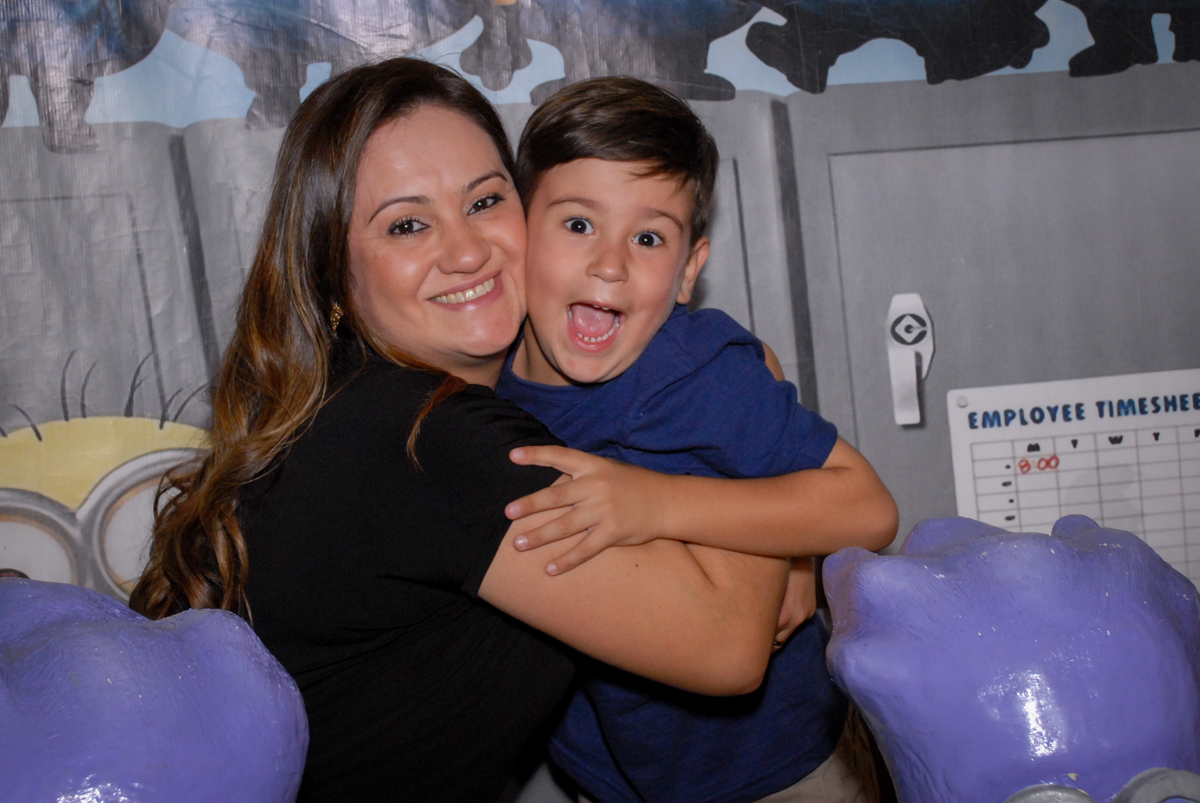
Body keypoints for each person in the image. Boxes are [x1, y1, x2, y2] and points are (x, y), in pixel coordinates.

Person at [129, 59, 794, 803]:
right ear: (334, 275)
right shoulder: (423, 440)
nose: (468, 250)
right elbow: (727, 640)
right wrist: (737, 389)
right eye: (408, 224)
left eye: (484, 201)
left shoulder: (363, 403)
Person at [494, 77, 898, 803]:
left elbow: (867, 507)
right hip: (607, 774)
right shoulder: (481, 387)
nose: (610, 263)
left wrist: (656, 505)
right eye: (579, 223)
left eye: (648, 238)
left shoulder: (695, 370)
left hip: (779, 767)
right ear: (518, 232)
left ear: (688, 272)